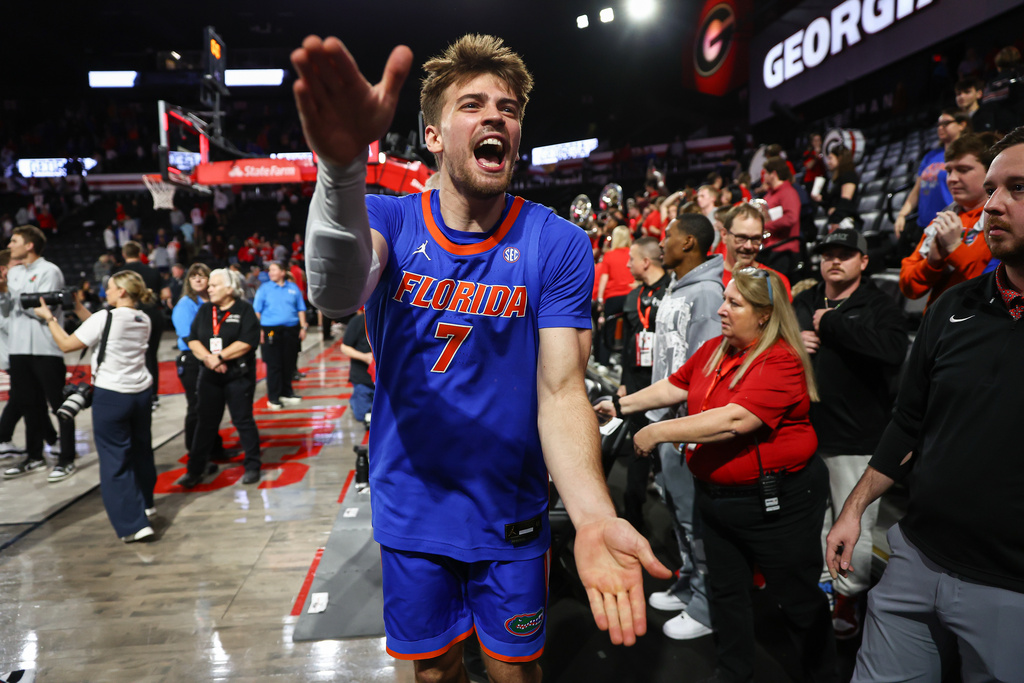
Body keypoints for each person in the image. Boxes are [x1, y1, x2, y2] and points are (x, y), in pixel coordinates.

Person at [292, 31, 669, 681]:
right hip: (412, 508)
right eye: (471, 104)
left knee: (513, 670)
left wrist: (592, 514)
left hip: (512, 507)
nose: (496, 114)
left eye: (509, 107)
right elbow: (335, 289)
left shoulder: (557, 242)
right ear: (434, 137)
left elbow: (560, 392)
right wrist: (342, 170)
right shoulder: (390, 220)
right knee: (435, 671)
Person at [827, 127, 1024, 682]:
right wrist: (854, 507)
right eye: (990, 189)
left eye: (1018, 188)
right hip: (914, 558)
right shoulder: (953, 307)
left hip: (1012, 589)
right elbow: (908, 421)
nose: (993, 204)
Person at [601, 267, 837, 683]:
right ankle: (732, 673)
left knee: (797, 600)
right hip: (718, 498)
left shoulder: (780, 358)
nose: (722, 309)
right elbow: (673, 387)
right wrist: (620, 407)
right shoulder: (716, 347)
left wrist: (656, 431)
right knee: (726, 593)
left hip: (776, 504)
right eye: (725, 300)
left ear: (764, 314)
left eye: (734, 303)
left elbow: (734, 421)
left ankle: (822, 675)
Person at [792, 229, 908, 640]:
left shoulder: (877, 304)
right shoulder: (804, 301)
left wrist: (836, 326)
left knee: (851, 525)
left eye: (845, 254)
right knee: (813, 521)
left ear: (863, 261)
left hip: (857, 437)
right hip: (805, 432)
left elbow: (895, 352)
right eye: (828, 254)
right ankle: (825, 588)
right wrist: (794, 344)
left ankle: (849, 597)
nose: (835, 261)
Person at [640, 214, 724, 641]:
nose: (662, 241)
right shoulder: (680, 287)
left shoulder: (708, 293)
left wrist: (687, 428)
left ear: (689, 242)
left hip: (685, 427)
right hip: (667, 423)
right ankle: (690, 584)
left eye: (669, 235)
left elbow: (706, 370)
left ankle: (707, 605)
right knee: (678, 515)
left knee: (694, 519)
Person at [34, 271, 158, 542]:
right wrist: (78, 307)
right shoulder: (142, 318)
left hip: (112, 396)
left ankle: (135, 525)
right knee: (141, 452)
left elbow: (67, 345)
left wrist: (50, 319)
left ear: (122, 291)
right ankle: (147, 504)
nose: (106, 293)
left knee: (115, 460)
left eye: (110, 288)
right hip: (140, 394)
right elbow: (106, 328)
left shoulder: (106, 316)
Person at [1, 226, 78, 481]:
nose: (10, 245)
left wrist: (14, 296)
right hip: (19, 348)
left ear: (29, 245)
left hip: (47, 348)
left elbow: (40, 304)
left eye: (14, 241)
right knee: (27, 404)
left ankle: (67, 458)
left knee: (59, 404)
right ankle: (34, 456)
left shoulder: (49, 270)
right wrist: (4, 293)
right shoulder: (12, 274)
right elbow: (9, 311)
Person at [179, 268, 262, 488]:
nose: (209, 288)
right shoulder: (206, 310)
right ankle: (195, 470)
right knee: (205, 423)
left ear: (229, 288)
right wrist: (209, 358)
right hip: (209, 374)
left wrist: (221, 356)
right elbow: (192, 339)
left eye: (214, 285)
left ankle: (253, 465)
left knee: (242, 420)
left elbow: (247, 342)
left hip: (238, 375)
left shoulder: (244, 310)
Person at [899, 133, 998, 309]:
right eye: (949, 170)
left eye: (963, 169)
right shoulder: (944, 219)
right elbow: (909, 287)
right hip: (938, 324)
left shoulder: (1002, 219)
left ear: (991, 172)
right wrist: (932, 263)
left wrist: (954, 249)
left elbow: (992, 288)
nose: (951, 179)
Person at [617, 236, 671, 534]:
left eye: (631, 259)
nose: (627, 264)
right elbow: (628, 345)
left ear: (645, 262)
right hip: (638, 382)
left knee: (666, 452)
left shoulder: (672, 293)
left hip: (666, 382)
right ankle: (633, 519)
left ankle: (677, 523)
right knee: (637, 448)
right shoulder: (633, 296)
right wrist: (625, 383)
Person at [893, 109, 971, 244]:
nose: (940, 128)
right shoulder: (931, 155)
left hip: (950, 226)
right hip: (924, 225)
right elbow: (918, 189)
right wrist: (902, 214)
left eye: (945, 123)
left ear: (962, 125)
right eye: (939, 125)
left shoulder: (968, 155)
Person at [172, 263, 224, 461]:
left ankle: (214, 448)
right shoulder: (185, 304)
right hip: (194, 359)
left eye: (202, 276)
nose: (198, 280)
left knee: (212, 407)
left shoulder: (215, 302)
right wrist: (209, 357)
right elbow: (187, 337)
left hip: (212, 356)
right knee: (196, 406)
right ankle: (195, 450)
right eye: (194, 277)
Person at [252, 261, 308, 409]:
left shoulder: (293, 287)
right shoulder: (264, 289)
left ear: (283, 272)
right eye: (269, 270)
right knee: (274, 363)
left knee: (289, 362)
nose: (270, 273)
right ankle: (273, 397)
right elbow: (256, 311)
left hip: (291, 329)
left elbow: (300, 308)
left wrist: (303, 327)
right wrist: (259, 330)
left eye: (274, 270)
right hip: (270, 329)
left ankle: (287, 392)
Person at [120, 241, 166, 409]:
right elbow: (162, 294)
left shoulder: (118, 273)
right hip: (152, 314)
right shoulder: (153, 272)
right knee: (151, 355)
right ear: (140, 254)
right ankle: (153, 396)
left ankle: (132, 393)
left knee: (127, 355)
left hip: (127, 318)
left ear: (124, 254)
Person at [718, 203, 793, 299]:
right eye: (741, 238)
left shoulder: (775, 282)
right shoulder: (711, 278)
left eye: (755, 239)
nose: (748, 246)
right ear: (724, 235)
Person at [760, 158, 803, 279]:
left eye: (766, 173)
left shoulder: (788, 192)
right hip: (770, 248)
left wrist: (764, 226)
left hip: (784, 250)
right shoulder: (770, 194)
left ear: (773, 174)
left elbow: (791, 218)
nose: (763, 177)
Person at [811, 146, 860, 231]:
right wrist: (821, 200)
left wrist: (836, 219)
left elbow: (846, 201)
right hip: (835, 221)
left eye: (830, 158)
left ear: (840, 158)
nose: (828, 162)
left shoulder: (849, 176)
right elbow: (832, 203)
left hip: (844, 222)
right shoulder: (834, 179)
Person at [340, 308, 374, 426]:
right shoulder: (358, 321)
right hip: (363, 379)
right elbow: (344, 347)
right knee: (362, 415)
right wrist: (364, 357)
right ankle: (355, 402)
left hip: (385, 381)